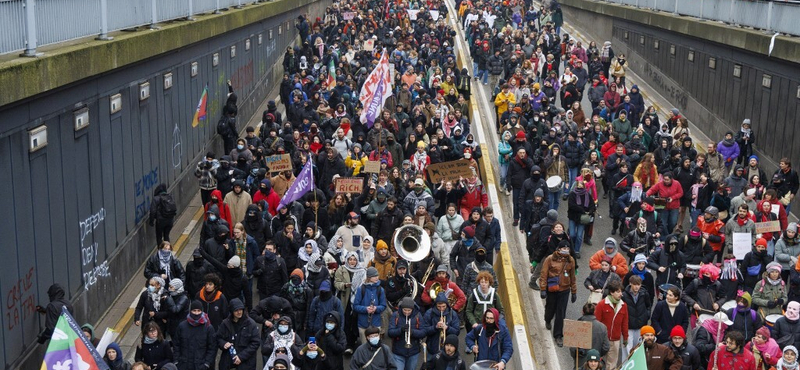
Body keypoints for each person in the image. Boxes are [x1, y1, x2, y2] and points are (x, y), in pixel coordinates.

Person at [539, 241, 578, 347]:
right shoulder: (550, 259)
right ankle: (547, 319)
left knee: (561, 313)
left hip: (564, 290)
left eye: (568, 249)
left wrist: (574, 291)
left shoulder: (571, 261)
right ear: (558, 249)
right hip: (552, 289)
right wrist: (543, 288)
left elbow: (572, 276)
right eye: (563, 248)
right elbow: (544, 274)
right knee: (550, 308)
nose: (566, 250)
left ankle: (558, 335)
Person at [216, 298, 260, 370]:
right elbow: (218, 338)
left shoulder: (251, 324)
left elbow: (255, 343)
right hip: (228, 362)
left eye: (241, 309)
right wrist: (223, 343)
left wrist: (241, 357)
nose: (239, 312)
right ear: (232, 311)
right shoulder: (225, 323)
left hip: (246, 363)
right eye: (236, 310)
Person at [173, 301, 217, 370]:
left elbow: (212, 347)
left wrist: (207, 364)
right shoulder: (182, 326)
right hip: (184, 365)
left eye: (199, 311)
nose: (196, 313)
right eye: (194, 311)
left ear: (202, 311)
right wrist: (176, 361)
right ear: (190, 311)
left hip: (200, 366)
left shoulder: (208, 327)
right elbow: (176, 345)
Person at [594, 281, 628, 369]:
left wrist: (625, 337)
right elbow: (596, 323)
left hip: (615, 340)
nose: (621, 294)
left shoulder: (623, 306)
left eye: (621, 291)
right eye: (618, 291)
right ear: (611, 292)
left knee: (612, 365)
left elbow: (625, 323)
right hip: (602, 340)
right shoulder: (601, 304)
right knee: (598, 364)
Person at [387, 297, 426, 370]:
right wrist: (400, 330)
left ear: (413, 309)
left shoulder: (418, 315)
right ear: (401, 308)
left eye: (409, 310)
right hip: (398, 351)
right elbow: (390, 332)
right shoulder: (396, 315)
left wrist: (412, 332)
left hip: (413, 351)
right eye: (405, 310)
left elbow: (423, 332)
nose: (407, 312)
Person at [354, 267, 387, 342]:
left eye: (377, 275)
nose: (377, 278)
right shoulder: (361, 289)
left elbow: (383, 305)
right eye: (374, 276)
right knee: (364, 346)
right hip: (363, 324)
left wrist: (376, 308)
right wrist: (366, 309)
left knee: (375, 346)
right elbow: (355, 306)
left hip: (376, 323)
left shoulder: (380, 290)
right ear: (368, 277)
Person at [622, 275, 652, 357]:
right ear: (630, 283)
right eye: (635, 284)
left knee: (638, 347)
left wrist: (646, 316)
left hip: (640, 325)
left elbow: (648, 306)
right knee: (627, 348)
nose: (636, 287)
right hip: (629, 326)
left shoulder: (644, 294)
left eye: (638, 285)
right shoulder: (624, 295)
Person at [571, 303, 610, 368]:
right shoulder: (602, 327)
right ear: (594, 312)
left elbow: (572, 347)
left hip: (580, 361)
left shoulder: (576, 326)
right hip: (595, 362)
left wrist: (576, 355)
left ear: (582, 312)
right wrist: (597, 355)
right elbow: (606, 347)